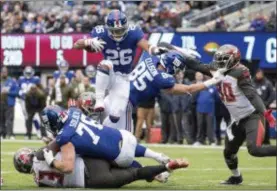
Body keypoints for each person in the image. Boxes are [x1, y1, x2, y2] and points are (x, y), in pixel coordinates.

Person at [165, 43, 277, 185]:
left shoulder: (239, 72)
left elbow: (253, 95)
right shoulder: (215, 69)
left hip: (252, 115)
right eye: (219, 58)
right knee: (228, 153)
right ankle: (236, 177)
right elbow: (195, 64)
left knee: (254, 149)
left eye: (223, 59)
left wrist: (265, 114)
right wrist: (172, 50)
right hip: (236, 119)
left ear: (233, 60)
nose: (219, 62)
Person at [73, 10, 167, 129]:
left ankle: (101, 129)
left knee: (115, 115)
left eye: (120, 30)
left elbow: (146, 45)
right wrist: (89, 41)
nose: (118, 33)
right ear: (108, 28)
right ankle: (99, 100)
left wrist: (154, 49)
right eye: (114, 30)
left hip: (124, 78)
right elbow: (76, 45)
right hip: (109, 74)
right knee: (105, 63)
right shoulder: (100, 32)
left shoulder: (134, 32)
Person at [102, 50, 225, 133]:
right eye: (176, 70)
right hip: (123, 105)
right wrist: (213, 81)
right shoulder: (161, 78)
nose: (176, 73)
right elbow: (189, 89)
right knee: (125, 142)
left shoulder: (147, 57)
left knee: (100, 130)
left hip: (112, 95)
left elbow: (160, 48)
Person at [40, 105, 171, 170]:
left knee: (104, 161)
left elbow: (68, 168)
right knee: (118, 143)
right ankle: (157, 156)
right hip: (125, 136)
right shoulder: (74, 111)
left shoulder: (65, 137)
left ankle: (154, 173)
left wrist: (52, 161)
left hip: (121, 157)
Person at [13, 147, 188, 188]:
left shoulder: (38, 182)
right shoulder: (39, 155)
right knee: (119, 153)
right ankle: (159, 162)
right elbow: (63, 144)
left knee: (135, 174)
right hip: (90, 163)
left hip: (94, 182)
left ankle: (165, 167)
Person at [18, 66, 41, 139]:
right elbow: (18, 89)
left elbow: (39, 90)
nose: (28, 74)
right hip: (23, 100)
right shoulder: (21, 79)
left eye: (29, 73)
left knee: (33, 117)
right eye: (27, 73)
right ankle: (28, 133)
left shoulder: (36, 79)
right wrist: (20, 93)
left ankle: (38, 132)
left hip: (32, 101)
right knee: (27, 117)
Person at [253, 69, 276, 144]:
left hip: (265, 107)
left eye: (260, 74)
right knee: (253, 124)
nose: (259, 75)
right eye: (258, 74)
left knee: (265, 124)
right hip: (253, 107)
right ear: (256, 74)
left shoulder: (267, 83)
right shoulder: (252, 83)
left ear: (262, 75)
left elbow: (272, 95)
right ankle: (254, 140)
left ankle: (266, 140)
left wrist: (266, 103)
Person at [0, 67, 18, 139]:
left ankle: (10, 134)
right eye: (3, 72)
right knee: (1, 120)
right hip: (1, 102)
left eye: (5, 72)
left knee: (9, 119)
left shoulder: (12, 81)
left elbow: (16, 93)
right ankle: (2, 134)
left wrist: (8, 92)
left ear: (7, 73)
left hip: (9, 103)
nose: (4, 73)